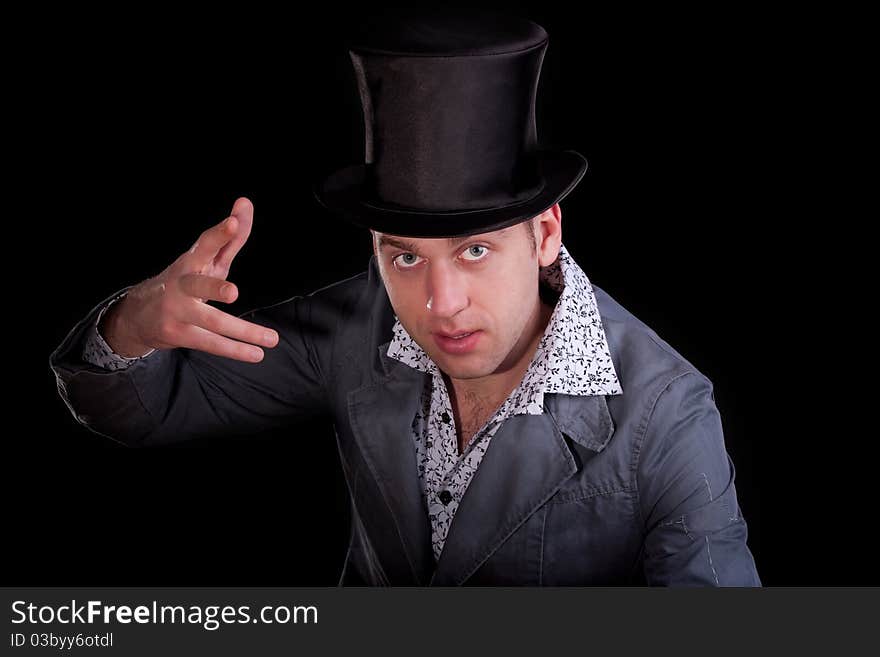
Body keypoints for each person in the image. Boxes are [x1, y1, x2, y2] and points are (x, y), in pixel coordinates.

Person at [49, 10, 761, 586]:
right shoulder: (360, 326)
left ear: (544, 233)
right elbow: (148, 409)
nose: (439, 303)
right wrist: (133, 324)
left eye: (475, 251)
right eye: (405, 256)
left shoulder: (668, 412)